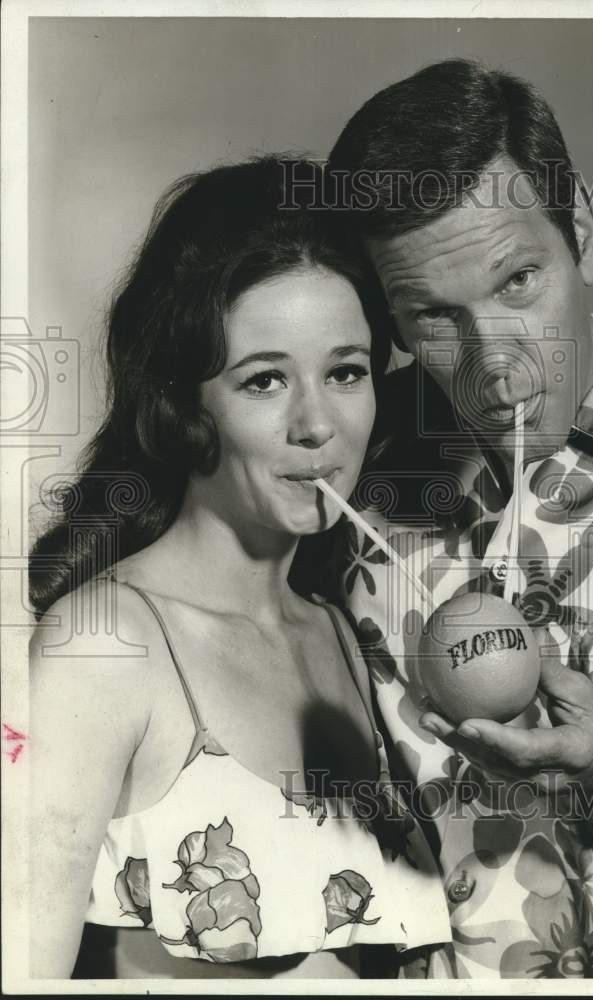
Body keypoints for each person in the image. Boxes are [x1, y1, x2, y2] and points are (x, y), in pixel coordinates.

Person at [326, 59, 593, 978]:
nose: (496, 363)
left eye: (518, 282)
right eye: (436, 317)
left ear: (583, 235)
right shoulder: (344, 493)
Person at [28, 156, 451, 980]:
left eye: (346, 372)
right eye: (265, 381)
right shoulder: (103, 645)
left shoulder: (343, 629)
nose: (317, 425)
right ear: (185, 407)